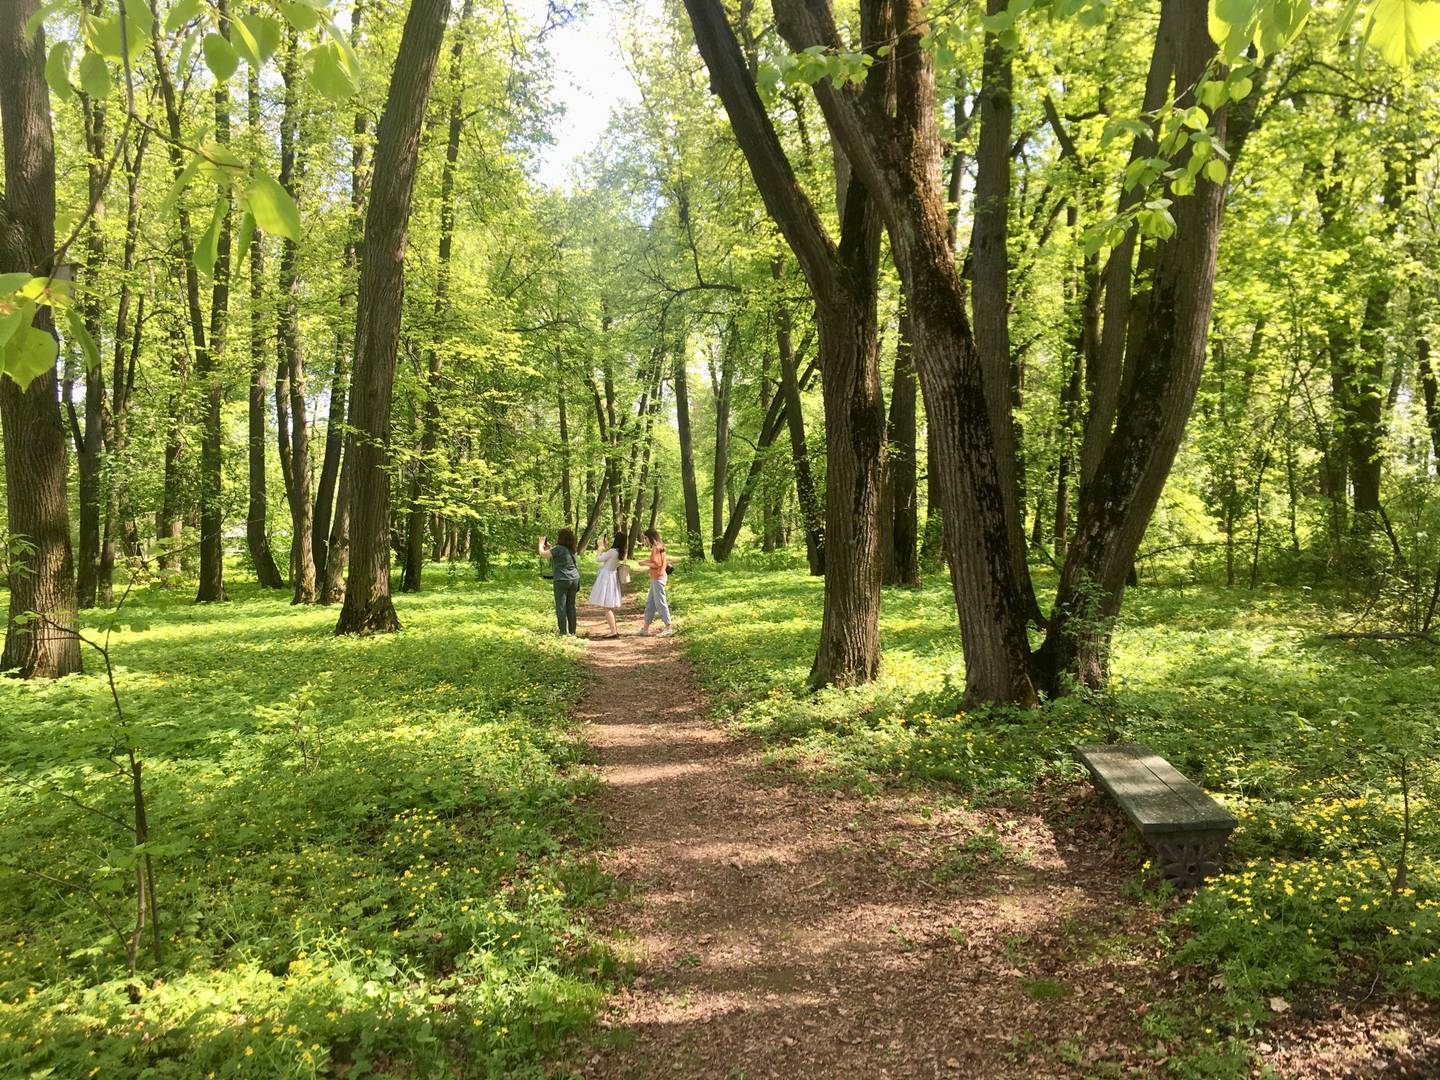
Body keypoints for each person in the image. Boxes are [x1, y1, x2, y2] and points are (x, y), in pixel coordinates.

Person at [537, 529, 580, 636]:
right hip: (574, 579)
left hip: (562, 580)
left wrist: (541, 544)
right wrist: (550, 548)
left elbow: (542, 554)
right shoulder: (572, 550)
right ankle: (572, 632)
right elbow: (558, 557)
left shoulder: (558, 548)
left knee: (561, 606)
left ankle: (563, 632)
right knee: (571, 606)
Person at [588, 530, 626, 639]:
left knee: (607, 607)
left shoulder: (612, 551)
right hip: (612, 578)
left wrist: (600, 547)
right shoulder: (620, 551)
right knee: (609, 606)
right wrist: (605, 546)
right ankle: (614, 630)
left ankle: (613, 632)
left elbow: (598, 559)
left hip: (606, 578)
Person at [636, 527, 673, 637]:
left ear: (650, 537)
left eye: (645, 538)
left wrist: (644, 564)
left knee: (660, 603)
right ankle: (645, 629)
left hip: (658, 579)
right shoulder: (657, 547)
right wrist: (645, 561)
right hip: (655, 579)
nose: (645, 541)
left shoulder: (657, 547)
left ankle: (668, 627)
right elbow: (654, 561)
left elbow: (657, 564)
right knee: (650, 604)